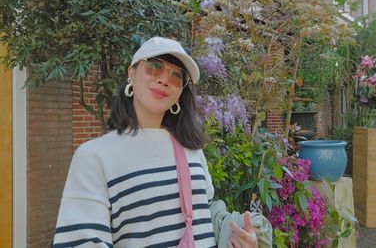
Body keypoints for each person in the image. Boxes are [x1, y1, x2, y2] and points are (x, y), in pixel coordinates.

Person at [53, 37, 271, 247]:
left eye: (176, 75)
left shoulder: (191, 150)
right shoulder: (94, 156)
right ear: (131, 73)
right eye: (154, 66)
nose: (164, 79)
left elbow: (206, 213)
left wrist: (239, 239)